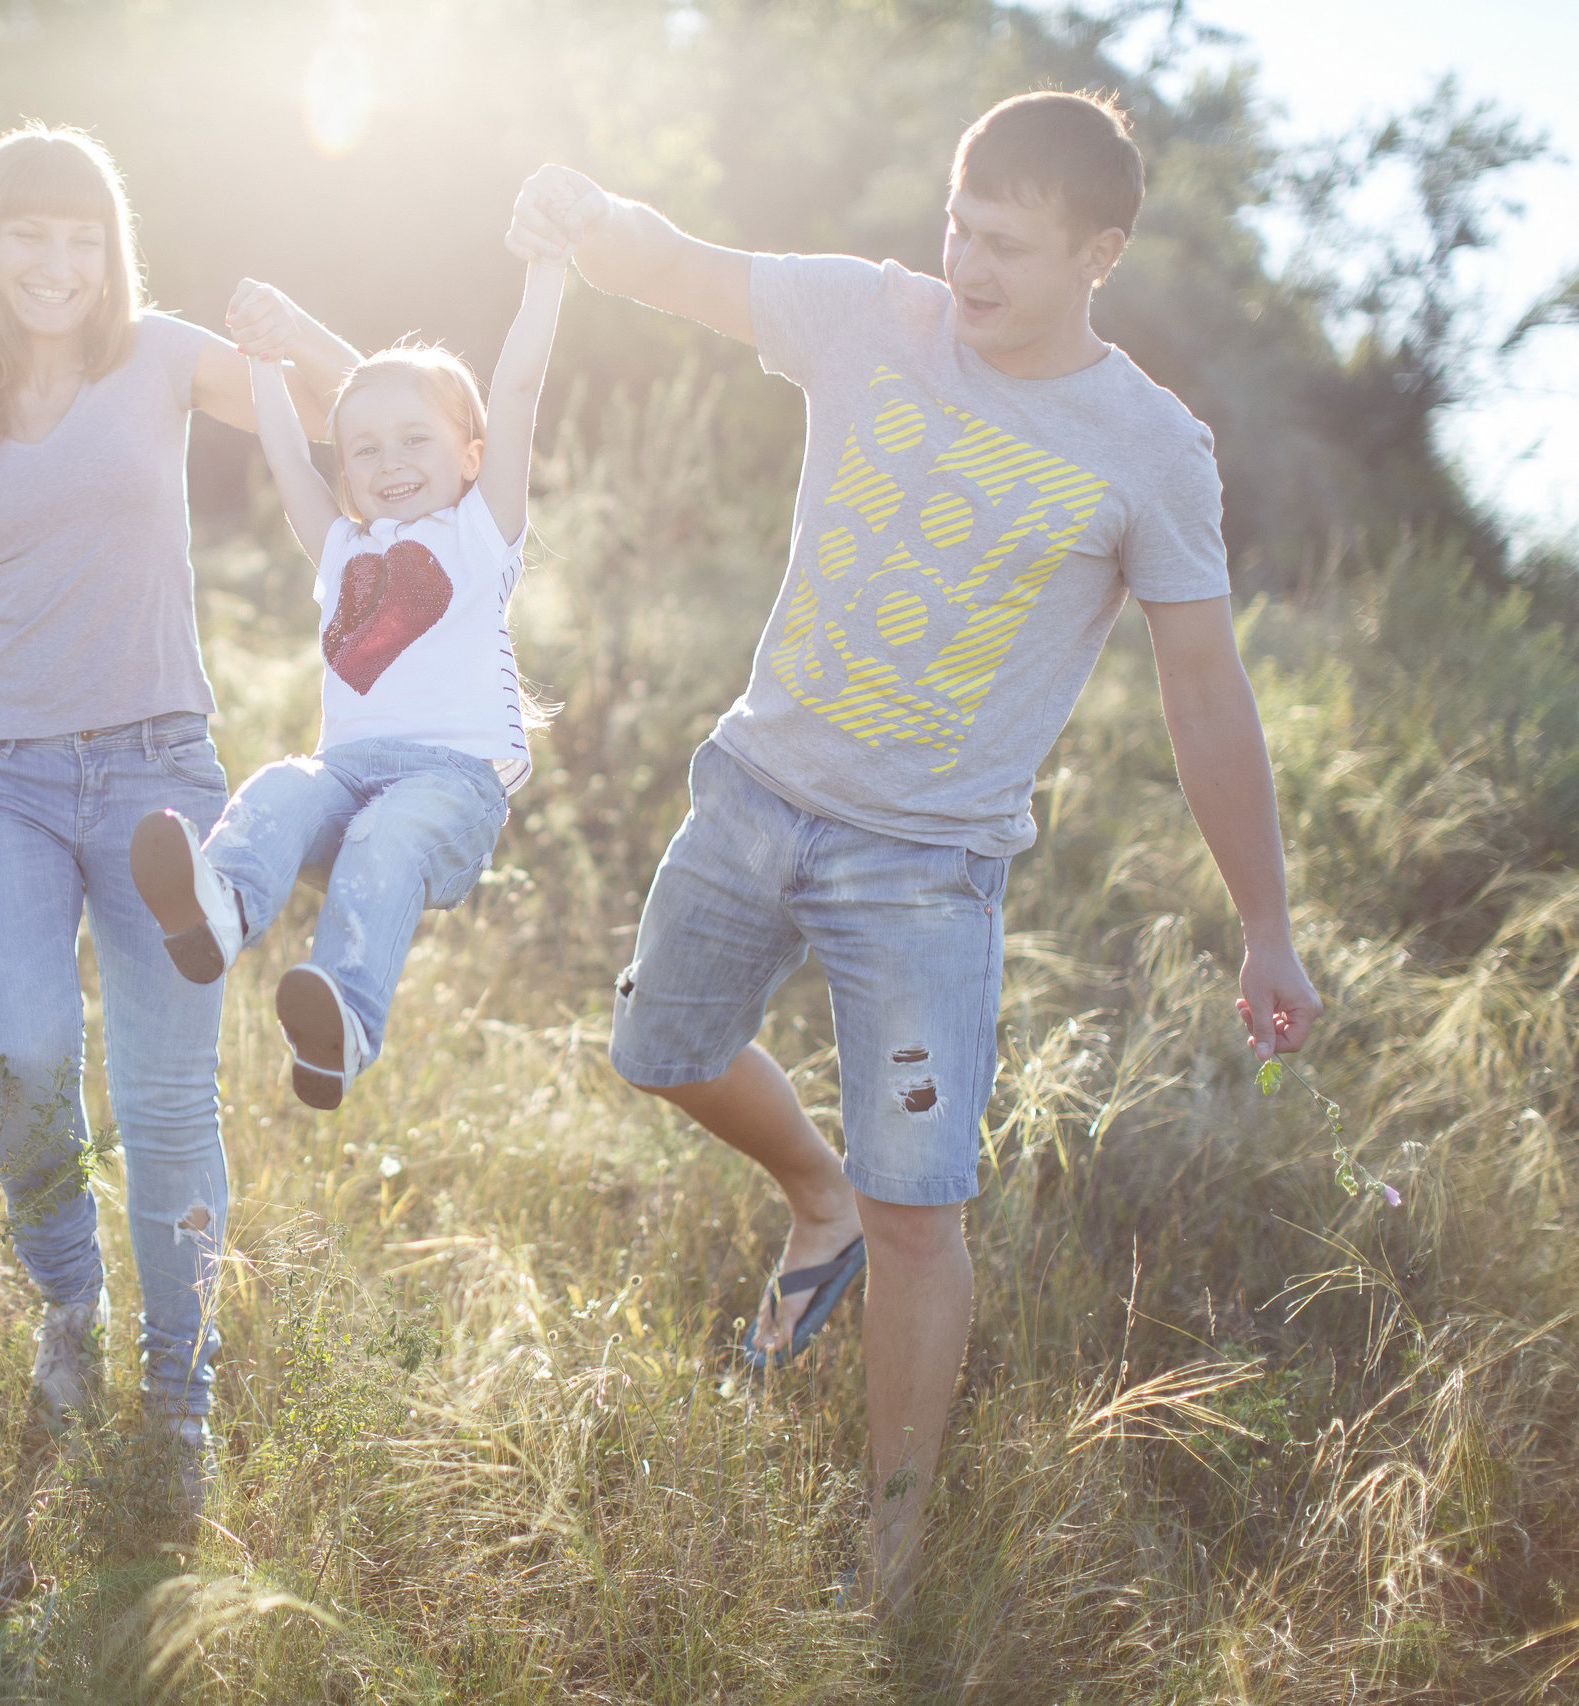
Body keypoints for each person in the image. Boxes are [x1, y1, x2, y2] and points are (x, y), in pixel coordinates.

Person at [503, 91, 1323, 1605]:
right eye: (958, 224)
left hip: (926, 871)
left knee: (920, 1208)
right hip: (755, 790)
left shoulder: (1150, 448)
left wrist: (1262, 920)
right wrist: (586, 213)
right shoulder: (869, 315)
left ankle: (887, 1549)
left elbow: (1204, 690)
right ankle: (811, 1191)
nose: (967, 264)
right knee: (661, 1046)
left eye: (1007, 243)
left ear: (1102, 251)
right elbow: (684, 264)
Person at [0, 124, 357, 1516]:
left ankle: (177, 1392)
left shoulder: (165, 354)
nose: (56, 262)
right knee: (18, 1061)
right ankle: (68, 1297)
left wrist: (304, 334)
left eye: (81, 235)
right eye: (28, 233)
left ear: (112, 245)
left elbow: (362, 425)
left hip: (154, 773)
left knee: (170, 1099)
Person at [129, 252, 565, 1109]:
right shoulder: (343, 550)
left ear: (472, 456)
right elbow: (289, 456)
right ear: (350, 472)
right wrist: (261, 361)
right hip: (348, 778)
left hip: (451, 787)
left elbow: (515, 391)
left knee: (385, 837)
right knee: (283, 787)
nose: (389, 460)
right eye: (364, 448)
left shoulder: (483, 532)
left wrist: (547, 273)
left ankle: (345, 1022)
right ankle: (221, 908)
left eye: (416, 439)